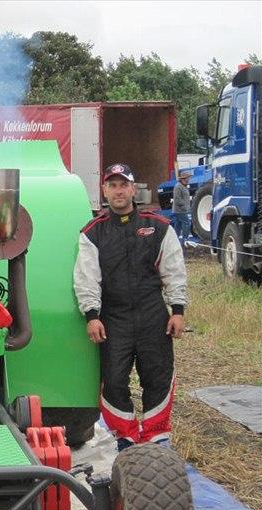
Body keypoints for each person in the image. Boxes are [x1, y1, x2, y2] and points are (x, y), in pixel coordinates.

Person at [73, 163, 188, 452]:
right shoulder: (92, 233)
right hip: (114, 317)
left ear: (133, 189)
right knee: (112, 379)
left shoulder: (159, 227)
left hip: (153, 315)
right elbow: (86, 278)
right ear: (104, 191)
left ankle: (156, 436)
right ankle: (124, 437)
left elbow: (174, 270)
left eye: (123, 184)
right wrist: (91, 315)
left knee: (157, 375)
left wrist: (178, 310)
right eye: (112, 185)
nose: (118, 190)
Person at [172, 170, 192, 245]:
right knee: (186, 223)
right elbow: (177, 199)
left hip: (180, 210)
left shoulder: (183, 186)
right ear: (183, 179)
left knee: (178, 225)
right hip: (180, 210)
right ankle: (186, 240)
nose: (189, 179)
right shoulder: (178, 187)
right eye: (188, 178)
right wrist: (185, 207)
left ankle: (174, 240)